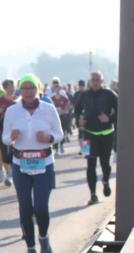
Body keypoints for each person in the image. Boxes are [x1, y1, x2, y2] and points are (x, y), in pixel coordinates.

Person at [3, 74, 63, 253]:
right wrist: (11, 137)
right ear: (20, 90)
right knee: (25, 208)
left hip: (44, 163)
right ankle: (30, 250)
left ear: (38, 89)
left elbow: (59, 134)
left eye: (31, 88)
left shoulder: (48, 109)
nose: (28, 92)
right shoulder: (12, 111)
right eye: (25, 88)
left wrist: (49, 138)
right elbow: (4, 137)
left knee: (41, 208)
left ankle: (43, 237)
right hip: (20, 164)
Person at [74, 71, 118, 205]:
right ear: (89, 81)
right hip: (88, 135)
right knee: (90, 164)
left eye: (97, 80)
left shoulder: (109, 94)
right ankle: (93, 194)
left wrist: (109, 118)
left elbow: (121, 110)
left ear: (102, 81)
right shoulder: (84, 95)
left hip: (106, 135)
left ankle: (105, 181)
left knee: (105, 163)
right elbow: (76, 110)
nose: (95, 82)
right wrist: (79, 120)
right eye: (93, 80)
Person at [0, 79, 17, 186]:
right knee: (4, 153)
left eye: (13, 88)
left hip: (14, 132)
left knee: (13, 153)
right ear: (5, 89)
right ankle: (9, 174)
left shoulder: (16, 102)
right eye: (10, 88)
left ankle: (12, 173)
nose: (12, 90)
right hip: (1, 131)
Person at [49, 79, 73, 155]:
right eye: (55, 88)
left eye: (58, 88)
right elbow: (49, 107)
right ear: (54, 89)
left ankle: (61, 145)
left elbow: (69, 104)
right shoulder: (51, 98)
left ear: (60, 89)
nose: (57, 90)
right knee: (54, 132)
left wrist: (65, 109)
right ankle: (56, 148)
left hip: (63, 116)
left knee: (62, 131)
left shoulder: (64, 97)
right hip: (55, 117)